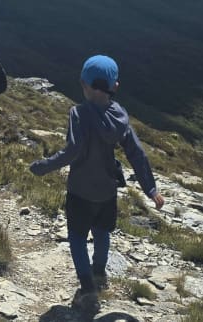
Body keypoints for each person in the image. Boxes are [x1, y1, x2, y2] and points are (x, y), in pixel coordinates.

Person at [29, 55, 165, 314]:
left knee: (77, 237)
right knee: (102, 232)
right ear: (115, 86)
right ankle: (100, 273)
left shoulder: (78, 114)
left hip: (80, 190)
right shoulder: (120, 116)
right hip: (107, 191)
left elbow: (73, 151)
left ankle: (88, 288)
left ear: (84, 84)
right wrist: (151, 189)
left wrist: (43, 166)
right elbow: (137, 153)